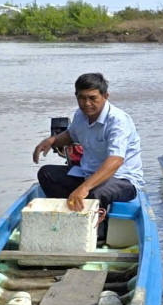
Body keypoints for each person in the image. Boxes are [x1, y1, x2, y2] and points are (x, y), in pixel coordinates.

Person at [33, 73, 144, 237]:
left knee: (96, 192)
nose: (87, 104)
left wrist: (83, 188)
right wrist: (52, 140)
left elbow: (116, 160)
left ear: (105, 96)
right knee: (46, 173)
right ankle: (67, 217)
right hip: (88, 174)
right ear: (76, 96)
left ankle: (95, 234)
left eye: (93, 98)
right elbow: (72, 135)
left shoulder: (118, 121)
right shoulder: (80, 114)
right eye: (81, 98)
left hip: (123, 179)